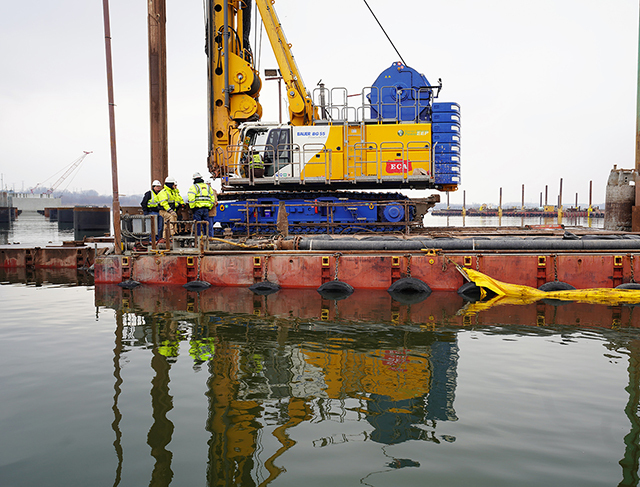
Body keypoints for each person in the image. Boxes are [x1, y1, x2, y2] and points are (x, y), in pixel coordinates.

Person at [187, 172, 217, 236]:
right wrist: (209, 207)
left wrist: (193, 208)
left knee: (197, 225)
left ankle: (198, 240)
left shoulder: (194, 187)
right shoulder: (207, 187)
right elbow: (212, 199)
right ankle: (207, 239)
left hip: (197, 209)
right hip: (206, 209)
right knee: (206, 225)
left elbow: (191, 199)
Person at [157, 176, 184, 243]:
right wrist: (170, 210)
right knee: (172, 217)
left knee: (166, 224)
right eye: (174, 185)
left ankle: (165, 238)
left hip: (169, 210)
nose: (175, 186)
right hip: (163, 211)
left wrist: (181, 204)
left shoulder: (172, 192)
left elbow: (177, 200)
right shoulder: (163, 192)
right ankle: (172, 234)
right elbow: (164, 203)